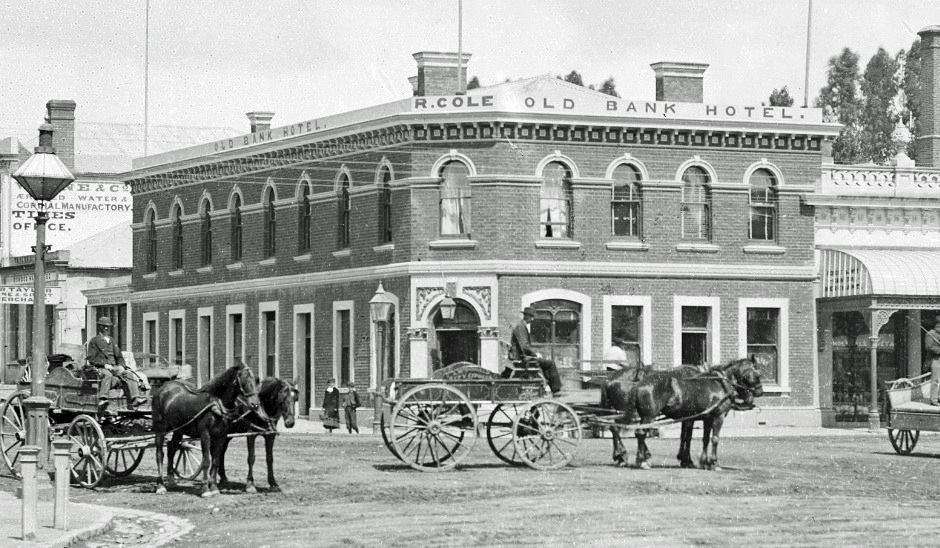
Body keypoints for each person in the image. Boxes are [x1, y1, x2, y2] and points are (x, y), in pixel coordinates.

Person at [87, 317, 146, 413]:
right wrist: (104, 365)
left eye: (108, 327)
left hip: (114, 367)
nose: (106, 329)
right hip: (101, 368)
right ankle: (103, 399)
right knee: (108, 375)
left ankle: (135, 398)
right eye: (104, 327)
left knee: (128, 374)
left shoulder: (112, 341)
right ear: (100, 327)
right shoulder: (94, 341)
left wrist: (121, 366)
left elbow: (119, 356)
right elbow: (91, 358)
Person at [507, 307, 563, 397]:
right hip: (523, 359)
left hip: (523, 357)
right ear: (526, 316)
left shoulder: (522, 327)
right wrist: (535, 354)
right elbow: (524, 347)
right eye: (531, 316)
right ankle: (556, 390)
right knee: (550, 363)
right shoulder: (520, 327)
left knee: (546, 364)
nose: (532, 319)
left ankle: (551, 386)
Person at [926, 317, 940, 406]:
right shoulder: (930, 334)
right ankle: (933, 399)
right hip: (935, 359)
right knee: (935, 380)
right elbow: (929, 347)